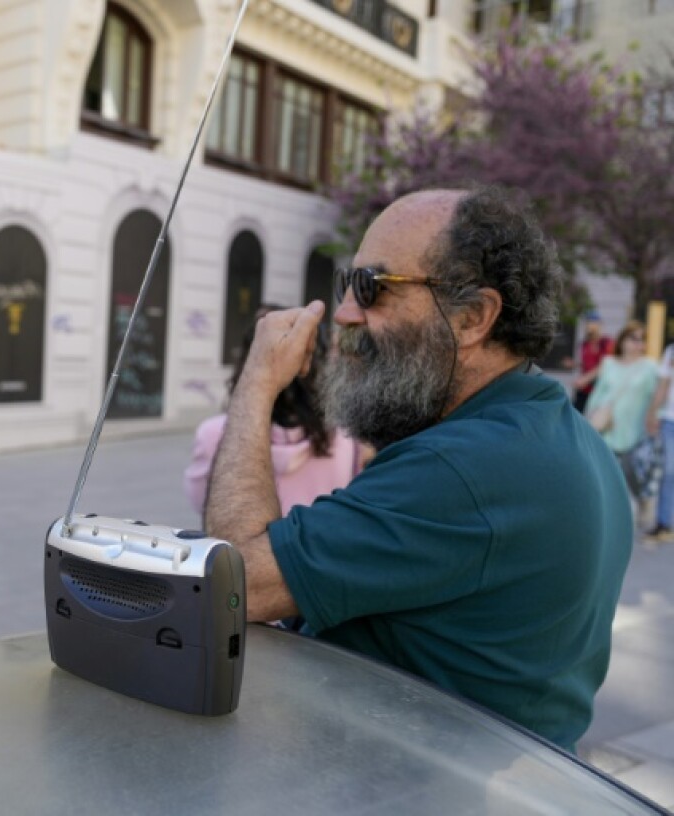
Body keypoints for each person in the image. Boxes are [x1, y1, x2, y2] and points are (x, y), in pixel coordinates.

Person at [205, 187, 631, 753]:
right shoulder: (566, 437)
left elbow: (233, 585)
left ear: (473, 317)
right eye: (346, 286)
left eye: (373, 289)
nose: (345, 313)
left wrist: (257, 383)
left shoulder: (461, 469)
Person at [185, 304, 360, 517]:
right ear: (316, 365)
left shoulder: (214, 435)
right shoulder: (346, 441)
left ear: (246, 360)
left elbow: (202, 504)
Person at [584, 321, 660, 497]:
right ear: (623, 339)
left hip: (633, 438)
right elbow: (597, 396)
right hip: (606, 432)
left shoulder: (650, 367)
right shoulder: (609, 363)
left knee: (629, 490)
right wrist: (590, 421)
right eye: (634, 338)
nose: (638, 343)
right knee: (604, 487)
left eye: (643, 340)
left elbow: (657, 398)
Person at [644, 343, 674, 542]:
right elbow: (663, 384)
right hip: (670, 420)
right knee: (669, 471)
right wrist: (652, 412)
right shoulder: (672, 350)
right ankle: (664, 524)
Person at [573, 311, 613, 413]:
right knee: (576, 415)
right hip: (585, 390)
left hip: (600, 390)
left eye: (592, 323)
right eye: (588, 323)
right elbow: (586, 363)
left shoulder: (606, 343)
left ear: (599, 325)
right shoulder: (584, 344)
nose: (589, 326)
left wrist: (585, 379)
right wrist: (574, 364)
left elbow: (604, 366)